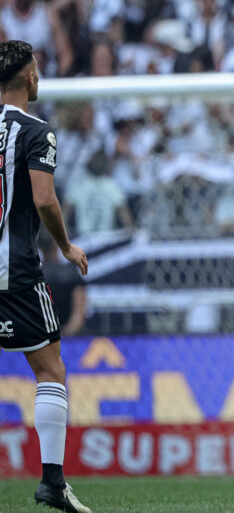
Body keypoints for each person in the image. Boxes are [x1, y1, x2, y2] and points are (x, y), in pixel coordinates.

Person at [0, 40, 91, 512]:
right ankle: (52, 481)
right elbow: (43, 199)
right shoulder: (37, 130)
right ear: (30, 78)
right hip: (14, 271)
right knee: (50, 371)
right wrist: (65, 246)